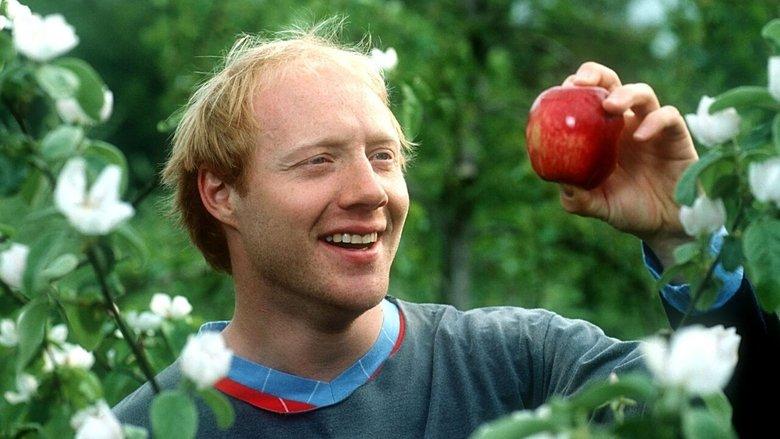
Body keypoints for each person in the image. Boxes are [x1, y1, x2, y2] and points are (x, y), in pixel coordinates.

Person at [114, 24, 778, 438]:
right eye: (318, 160)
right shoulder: (145, 427)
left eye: (383, 156)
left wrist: (686, 235)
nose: (371, 191)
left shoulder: (525, 365)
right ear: (221, 193)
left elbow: (740, 412)